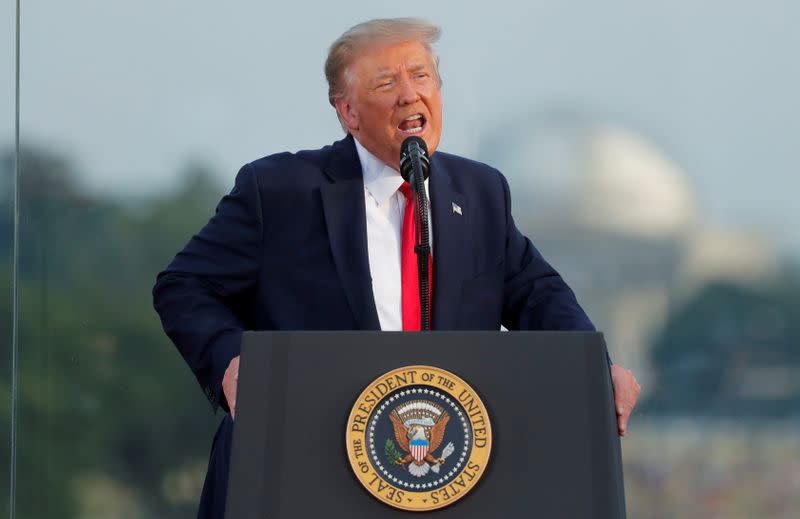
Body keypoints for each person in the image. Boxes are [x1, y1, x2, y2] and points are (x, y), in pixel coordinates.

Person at [153, 18, 641, 519]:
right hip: (301, 470)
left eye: (421, 76)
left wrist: (595, 368)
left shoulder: (479, 193)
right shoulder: (279, 191)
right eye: (387, 83)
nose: (411, 96)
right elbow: (184, 285)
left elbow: (538, 295)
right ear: (348, 112)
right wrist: (233, 363)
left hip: (438, 481)